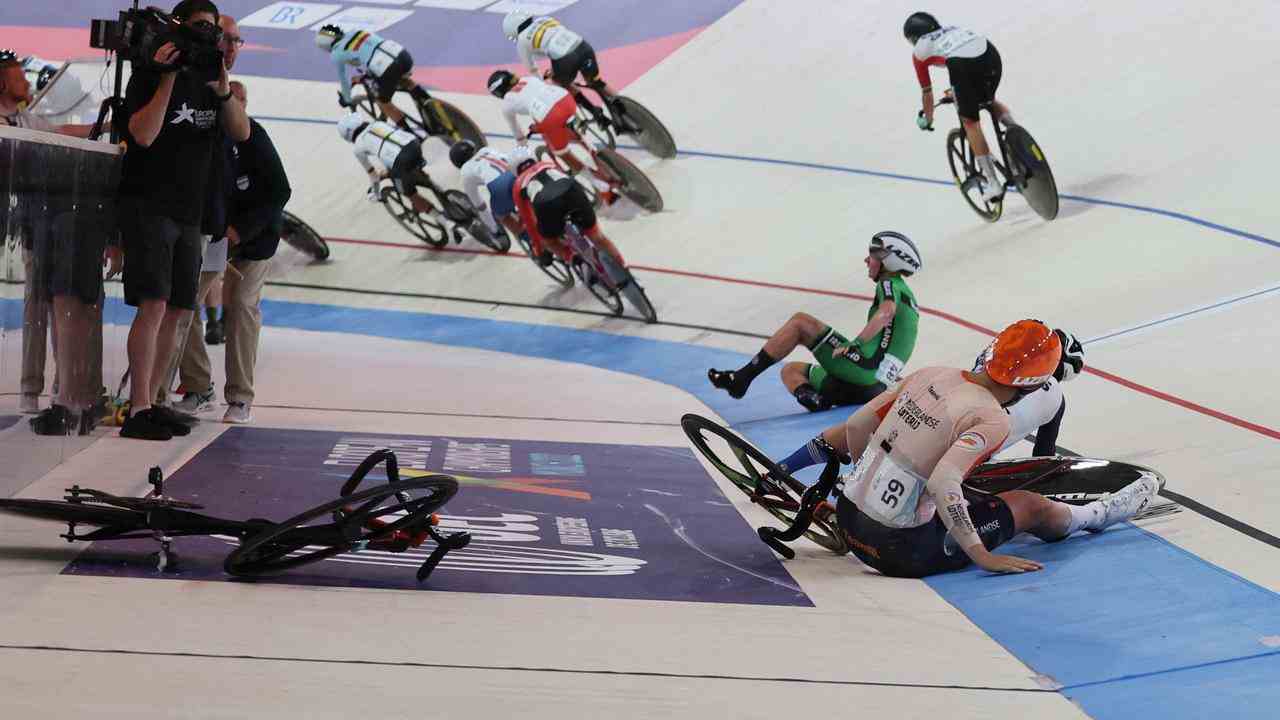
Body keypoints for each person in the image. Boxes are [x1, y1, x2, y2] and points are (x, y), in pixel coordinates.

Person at [833, 319, 1159, 577]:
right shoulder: (992, 419)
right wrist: (981, 555)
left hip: (848, 519)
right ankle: (1096, 515)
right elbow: (943, 483)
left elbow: (857, 426)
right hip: (902, 551)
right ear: (1035, 384)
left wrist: (864, 491)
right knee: (1029, 505)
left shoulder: (929, 373)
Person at [116, 0, 250, 440]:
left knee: (178, 309)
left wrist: (223, 86)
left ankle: (154, 400)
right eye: (198, 28)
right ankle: (137, 408)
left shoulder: (212, 80)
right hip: (151, 206)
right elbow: (143, 134)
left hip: (191, 213)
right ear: (177, 27)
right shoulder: (150, 73)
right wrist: (168, 77)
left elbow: (240, 132)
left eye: (212, 29)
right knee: (153, 305)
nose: (207, 37)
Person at [776, 327, 1087, 476]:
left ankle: (783, 469)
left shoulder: (1003, 362)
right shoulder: (1057, 402)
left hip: (950, 418)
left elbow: (971, 381)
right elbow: (1043, 459)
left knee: (860, 424)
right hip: (971, 455)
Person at [2, 49, 111, 433]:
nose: (27, 82)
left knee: (46, 305)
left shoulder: (29, 118)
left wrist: (109, 125)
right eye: (18, 76)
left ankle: (59, 385)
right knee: (36, 308)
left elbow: (61, 135)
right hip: (18, 225)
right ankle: (31, 387)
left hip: (36, 224)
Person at [709, 232, 922, 412]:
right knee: (791, 370)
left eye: (873, 256)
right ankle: (815, 399)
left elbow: (886, 313)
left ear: (889, 261)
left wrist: (854, 343)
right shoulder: (906, 294)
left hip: (865, 372)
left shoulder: (889, 283)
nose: (867, 260)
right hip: (874, 387)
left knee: (801, 323)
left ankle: (741, 379)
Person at [164, 15, 243, 413]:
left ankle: (166, 391)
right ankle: (191, 385)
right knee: (182, 307)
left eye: (235, 41)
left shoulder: (230, 94)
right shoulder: (188, 86)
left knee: (181, 307)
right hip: (188, 216)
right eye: (223, 39)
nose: (228, 47)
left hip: (210, 223)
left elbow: (243, 138)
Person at [218, 80, 291, 424]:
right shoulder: (210, 136)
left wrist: (241, 231)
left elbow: (279, 191)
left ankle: (240, 397)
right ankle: (197, 385)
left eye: (241, 100)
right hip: (213, 238)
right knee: (180, 310)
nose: (237, 106)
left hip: (256, 241)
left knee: (243, 307)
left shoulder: (255, 138)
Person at [905, 11, 1012, 203]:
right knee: (987, 98)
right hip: (990, 53)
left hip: (962, 66)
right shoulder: (952, 29)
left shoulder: (919, 53)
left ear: (913, 38)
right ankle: (1014, 135)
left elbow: (927, 93)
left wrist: (928, 119)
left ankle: (993, 183)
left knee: (970, 122)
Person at [508, 144, 627, 274]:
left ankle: (574, 258)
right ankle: (625, 270)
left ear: (515, 171)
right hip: (572, 190)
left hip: (546, 204)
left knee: (549, 241)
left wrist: (540, 250)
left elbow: (529, 222)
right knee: (597, 236)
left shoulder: (518, 185)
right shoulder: (547, 164)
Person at [500, 10, 620, 121]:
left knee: (561, 84)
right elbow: (559, 41)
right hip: (583, 46)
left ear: (513, 30)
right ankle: (622, 104)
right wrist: (555, 68)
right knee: (596, 82)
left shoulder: (521, 41)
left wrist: (542, 86)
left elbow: (532, 69)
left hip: (565, 59)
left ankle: (593, 111)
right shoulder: (545, 19)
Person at [486, 70, 585, 176]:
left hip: (550, 117)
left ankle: (593, 179)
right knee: (551, 119)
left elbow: (517, 133)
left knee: (561, 152)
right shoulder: (528, 79)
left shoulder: (506, 104)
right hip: (566, 99)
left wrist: (523, 146)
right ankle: (586, 142)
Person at [337, 111, 436, 216]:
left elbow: (374, 177)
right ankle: (433, 183)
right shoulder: (377, 123)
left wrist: (375, 193)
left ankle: (444, 221)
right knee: (401, 167)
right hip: (414, 144)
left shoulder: (358, 149)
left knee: (409, 193)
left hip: (401, 161)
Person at [316, 23, 413, 127]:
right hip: (402, 54)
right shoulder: (356, 30)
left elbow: (344, 80)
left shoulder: (336, 54)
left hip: (385, 67)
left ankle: (407, 131)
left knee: (383, 101)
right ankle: (422, 97)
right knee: (404, 80)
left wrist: (346, 99)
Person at [451, 140, 524, 239]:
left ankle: (527, 238)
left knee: (501, 215)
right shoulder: (486, 150)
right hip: (519, 172)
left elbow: (480, 206)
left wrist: (494, 230)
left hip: (500, 186)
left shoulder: (465, 171)